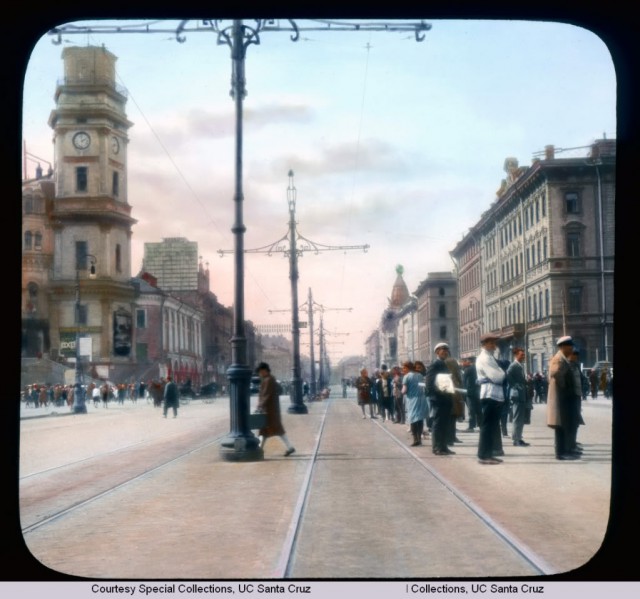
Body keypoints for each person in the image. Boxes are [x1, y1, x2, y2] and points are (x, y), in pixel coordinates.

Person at [547, 336, 580, 460]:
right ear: (563, 347)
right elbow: (554, 373)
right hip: (561, 398)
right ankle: (560, 453)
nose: (571, 348)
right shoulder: (558, 358)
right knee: (560, 426)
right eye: (569, 345)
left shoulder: (563, 358)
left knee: (565, 425)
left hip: (564, 398)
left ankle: (566, 451)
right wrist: (564, 386)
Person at [475, 333, 506, 465]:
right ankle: (483, 455)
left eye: (494, 342)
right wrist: (502, 372)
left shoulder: (489, 357)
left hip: (493, 393)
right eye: (491, 343)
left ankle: (488, 453)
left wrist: (500, 371)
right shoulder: (485, 358)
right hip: (489, 394)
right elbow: (498, 377)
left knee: (492, 425)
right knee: (487, 426)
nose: (494, 345)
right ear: (484, 344)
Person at [256, 362, 295, 456]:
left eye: (260, 372)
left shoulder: (268, 380)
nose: (259, 374)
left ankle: (259, 450)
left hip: (269, 411)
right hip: (271, 410)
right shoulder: (270, 378)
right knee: (267, 430)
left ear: (264, 370)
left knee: (269, 429)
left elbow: (266, 395)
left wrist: (260, 406)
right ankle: (289, 447)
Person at [425, 343, 456, 455]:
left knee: (445, 424)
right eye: (442, 350)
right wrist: (435, 396)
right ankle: (437, 448)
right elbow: (429, 383)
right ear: (437, 352)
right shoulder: (435, 364)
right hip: (438, 399)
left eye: (446, 350)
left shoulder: (444, 364)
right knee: (438, 424)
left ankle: (443, 447)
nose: (445, 352)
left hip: (446, 398)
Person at [507, 348, 531, 447]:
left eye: (524, 355)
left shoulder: (520, 366)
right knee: (517, 418)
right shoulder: (513, 365)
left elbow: (520, 379)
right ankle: (516, 440)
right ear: (516, 355)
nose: (523, 357)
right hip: (517, 395)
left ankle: (519, 438)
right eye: (521, 355)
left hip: (522, 394)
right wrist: (515, 386)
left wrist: (526, 381)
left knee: (520, 418)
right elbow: (507, 374)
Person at [402, 361, 427, 447]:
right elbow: (423, 386)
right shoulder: (420, 375)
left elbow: (404, 390)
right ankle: (419, 439)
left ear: (408, 368)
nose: (403, 370)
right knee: (420, 419)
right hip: (421, 399)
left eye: (404, 368)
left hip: (412, 400)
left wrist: (402, 391)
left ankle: (415, 439)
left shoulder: (406, 377)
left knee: (412, 420)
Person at [462, 358, 481, 432]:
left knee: (471, 410)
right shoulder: (479, 369)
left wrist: (464, 391)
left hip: (469, 392)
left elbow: (464, 381)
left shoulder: (468, 370)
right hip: (478, 391)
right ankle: (481, 425)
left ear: (470, 361)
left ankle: (471, 426)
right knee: (479, 409)